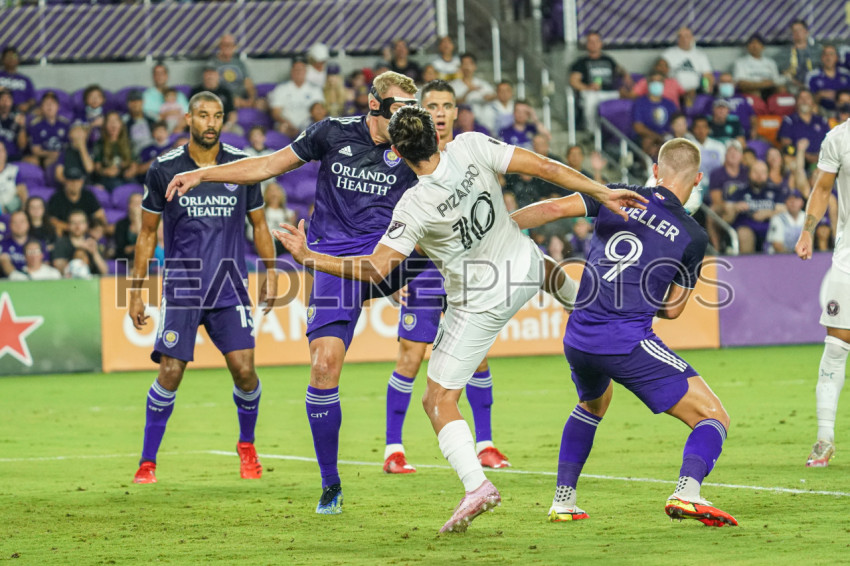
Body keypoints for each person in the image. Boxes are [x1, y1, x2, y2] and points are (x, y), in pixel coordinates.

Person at [272, 105, 645, 532]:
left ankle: (476, 485)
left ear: (398, 152)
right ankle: (587, 309)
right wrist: (600, 191)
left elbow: (376, 269)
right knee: (541, 266)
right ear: (437, 134)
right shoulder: (471, 145)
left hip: (479, 304)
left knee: (437, 400)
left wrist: (309, 257)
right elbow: (543, 167)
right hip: (524, 266)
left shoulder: (413, 205)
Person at [163, 72, 429, 515]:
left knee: (448, 250)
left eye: (410, 109)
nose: (405, 118)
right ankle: (330, 485)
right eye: (398, 108)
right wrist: (203, 174)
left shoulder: (413, 148)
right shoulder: (332, 133)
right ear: (374, 104)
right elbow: (267, 165)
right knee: (323, 367)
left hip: (386, 259)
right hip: (333, 264)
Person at [511, 137, 736, 528]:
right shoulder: (693, 235)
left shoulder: (614, 194)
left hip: (578, 337)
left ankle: (564, 502)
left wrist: (497, 231)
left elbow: (552, 208)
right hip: (625, 342)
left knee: (592, 405)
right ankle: (687, 492)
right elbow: (673, 309)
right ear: (698, 179)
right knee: (714, 416)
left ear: (655, 170)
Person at [128, 92, 278, 485]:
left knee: (245, 371)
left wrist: (271, 271)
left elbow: (259, 225)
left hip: (229, 287)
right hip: (183, 287)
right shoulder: (164, 169)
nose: (210, 123)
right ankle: (147, 462)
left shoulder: (241, 167)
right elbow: (146, 234)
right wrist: (135, 291)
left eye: (217, 116)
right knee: (170, 373)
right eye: (202, 115)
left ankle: (247, 445)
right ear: (188, 119)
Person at [381, 81, 512, 475]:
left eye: (446, 105)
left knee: (478, 357)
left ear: (456, 112)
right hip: (423, 272)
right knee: (411, 356)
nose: (439, 112)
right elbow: (393, 221)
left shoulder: (467, 153)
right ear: (422, 112)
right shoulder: (409, 158)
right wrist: (397, 276)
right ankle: (393, 448)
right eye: (432, 105)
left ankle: (486, 444)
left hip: (468, 270)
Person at [795, 114, 850, 467]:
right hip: (848, 259)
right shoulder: (839, 138)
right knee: (836, 345)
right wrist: (807, 230)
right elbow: (822, 188)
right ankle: (824, 438)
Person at [568, 31, 632, 132]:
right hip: (591, 93)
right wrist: (588, 87)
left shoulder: (608, 59)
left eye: (596, 41)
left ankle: (623, 131)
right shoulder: (581, 62)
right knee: (590, 99)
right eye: (591, 41)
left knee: (627, 96)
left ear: (601, 43)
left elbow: (620, 69)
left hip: (610, 92)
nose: (594, 44)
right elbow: (573, 81)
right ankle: (592, 131)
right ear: (586, 44)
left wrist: (626, 76)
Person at [724, 160, 786, 254]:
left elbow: (784, 210)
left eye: (763, 172)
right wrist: (734, 208)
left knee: (780, 231)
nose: (759, 175)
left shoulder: (775, 191)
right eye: (755, 172)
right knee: (744, 234)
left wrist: (767, 213)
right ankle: (748, 263)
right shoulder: (739, 192)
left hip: (769, 226)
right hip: (747, 226)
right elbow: (726, 218)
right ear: (749, 174)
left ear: (767, 174)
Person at [269, 57, 325, 138]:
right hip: (287, 126)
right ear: (291, 71)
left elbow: (320, 112)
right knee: (282, 127)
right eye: (296, 70)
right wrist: (288, 124)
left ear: (306, 71)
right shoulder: (281, 89)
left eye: (301, 70)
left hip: (308, 126)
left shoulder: (315, 89)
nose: (299, 72)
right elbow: (276, 112)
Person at [47, 166, 106, 235]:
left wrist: (96, 227)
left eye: (77, 181)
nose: (74, 184)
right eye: (71, 181)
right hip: (66, 234)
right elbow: (52, 220)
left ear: (82, 182)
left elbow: (100, 215)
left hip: (87, 233)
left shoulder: (88, 195)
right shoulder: (57, 197)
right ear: (65, 182)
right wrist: (74, 228)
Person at [632, 71, 678, 158]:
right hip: (648, 137)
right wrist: (657, 137)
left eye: (659, 81)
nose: (656, 84)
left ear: (663, 84)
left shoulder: (670, 104)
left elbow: (677, 123)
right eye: (653, 81)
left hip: (667, 137)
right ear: (648, 83)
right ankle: (648, 166)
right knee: (647, 141)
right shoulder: (640, 103)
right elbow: (638, 127)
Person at [778, 89, 829, 165]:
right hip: (798, 160)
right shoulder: (789, 121)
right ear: (796, 101)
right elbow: (786, 145)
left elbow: (829, 143)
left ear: (813, 102)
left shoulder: (822, 121)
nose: (804, 101)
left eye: (807, 98)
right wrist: (806, 156)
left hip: (822, 160)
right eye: (801, 98)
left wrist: (818, 157)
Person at [207, 34, 257, 109]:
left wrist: (252, 99)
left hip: (241, 97)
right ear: (220, 46)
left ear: (235, 47)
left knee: (261, 104)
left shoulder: (240, 63)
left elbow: (248, 83)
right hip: (223, 97)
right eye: (224, 44)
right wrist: (232, 99)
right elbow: (211, 86)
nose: (227, 47)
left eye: (230, 44)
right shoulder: (212, 63)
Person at [51, 209, 108, 275]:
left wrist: (94, 253)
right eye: (74, 223)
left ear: (86, 225)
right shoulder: (61, 243)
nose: (77, 226)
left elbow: (104, 271)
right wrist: (78, 251)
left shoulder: (91, 242)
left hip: (90, 280)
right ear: (68, 225)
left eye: (81, 222)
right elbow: (58, 267)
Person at [93, 111, 137, 192]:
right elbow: (97, 167)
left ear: (121, 124)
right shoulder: (100, 144)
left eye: (116, 120)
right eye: (109, 121)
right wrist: (106, 171)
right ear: (105, 126)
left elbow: (134, 164)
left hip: (126, 178)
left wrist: (131, 171)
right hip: (108, 179)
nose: (113, 124)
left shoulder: (128, 143)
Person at [662, 26, 714, 95]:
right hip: (674, 92)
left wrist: (707, 88)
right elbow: (661, 74)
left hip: (695, 92)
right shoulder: (668, 54)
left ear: (692, 38)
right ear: (677, 39)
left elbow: (707, 75)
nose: (684, 39)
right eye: (681, 36)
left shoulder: (700, 55)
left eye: (687, 36)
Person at [733, 34, 783, 104]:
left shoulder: (770, 62)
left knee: (781, 89)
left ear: (763, 47)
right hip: (751, 90)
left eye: (758, 43)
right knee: (754, 91)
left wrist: (768, 84)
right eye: (752, 43)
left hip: (769, 90)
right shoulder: (740, 62)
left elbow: (776, 80)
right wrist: (762, 84)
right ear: (747, 47)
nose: (755, 46)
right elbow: (741, 83)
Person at [26, 92, 70, 169]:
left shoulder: (65, 124)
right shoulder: (35, 125)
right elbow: (36, 150)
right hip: (44, 157)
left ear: (58, 107)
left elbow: (69, 146)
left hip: (63, 157)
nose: (49, 106)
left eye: (52, 103)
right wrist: (51, 154)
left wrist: (60, 155)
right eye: (46, 104)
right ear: (41, 108)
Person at [450, 53, 496, 119]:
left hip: (482, 120)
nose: (467, 67)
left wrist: (489, 97)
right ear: (460, 67)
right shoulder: (453, 85)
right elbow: (451, 102)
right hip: (462, 121)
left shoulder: (482, 84)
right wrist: (467, 93)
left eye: (469, 64)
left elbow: (494, 96)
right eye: (464, 64)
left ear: (475, 66)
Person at [191, 67, 237, 132]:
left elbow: (232, 113)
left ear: (218, 76)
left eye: (212, 75)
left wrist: (227, 126)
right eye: (207, 75)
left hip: (224, 125)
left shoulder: (225, 92)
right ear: (203, 77)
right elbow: (192, 113)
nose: (210, 77)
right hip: (203, 125)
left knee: (238, 131)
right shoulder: (196, 91)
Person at [779, 19, 821, 90]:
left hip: (816, 83)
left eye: (800, 30)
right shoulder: (785, 52)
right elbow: (782, 70)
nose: (797, 33)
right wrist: (792, 80)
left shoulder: (817, 50)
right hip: (792, 85)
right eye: (794, 31)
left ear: (806, 32)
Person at [806, 45, 850, 112]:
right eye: (825, 55)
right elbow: (806, 100)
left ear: (836, 58)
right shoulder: (812, 76)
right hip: (822, 112)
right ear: (821, 58)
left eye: (831, 54)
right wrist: (820, 95)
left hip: (845, 112)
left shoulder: (846, 74)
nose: (828, 58)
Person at [0, 46, 35, 112]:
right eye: (8, 56)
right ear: (2, 59)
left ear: (18, 59)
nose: (11, 58)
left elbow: (32, 99)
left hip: (20, 112)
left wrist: (27, 105)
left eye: (14, 56)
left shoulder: (26, 80)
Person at [125, 89, 155, 156]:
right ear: (128, 104)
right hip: (133, 154)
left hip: (152, 153)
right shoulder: (124, 122)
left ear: (142, 102)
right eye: (132, 101)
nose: (135, 104)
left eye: (137, 100)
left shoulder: (151, 119)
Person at [0, 210, 30, 276]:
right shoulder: (2, 244)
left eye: (22, 222)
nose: (18, 225)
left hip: (34, 279)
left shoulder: (37, 243)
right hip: (7, 280)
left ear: (28, 224)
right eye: (15, 222)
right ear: (10, 225)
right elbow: (4, 262)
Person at [0, 87, 26, 162]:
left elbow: (22, 145)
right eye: (2, 99)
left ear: (12, 102)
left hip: (12, 157)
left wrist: (22, 126)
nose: (5, 103)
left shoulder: (17, 117)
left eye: (8, 99)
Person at [114, 192, 142, 262]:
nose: (138, 206)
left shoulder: (149, 223)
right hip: (126, 260)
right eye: (135, 203)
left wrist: (138, 220)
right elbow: (123, 249)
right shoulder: (121, 224)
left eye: (140, 203)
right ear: (129, 205)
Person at [0, 143, 26, 213]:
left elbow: (22, 191)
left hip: (12, 209)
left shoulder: (14, 170)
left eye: (2, 150)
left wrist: (24, 209)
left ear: (5, 153)